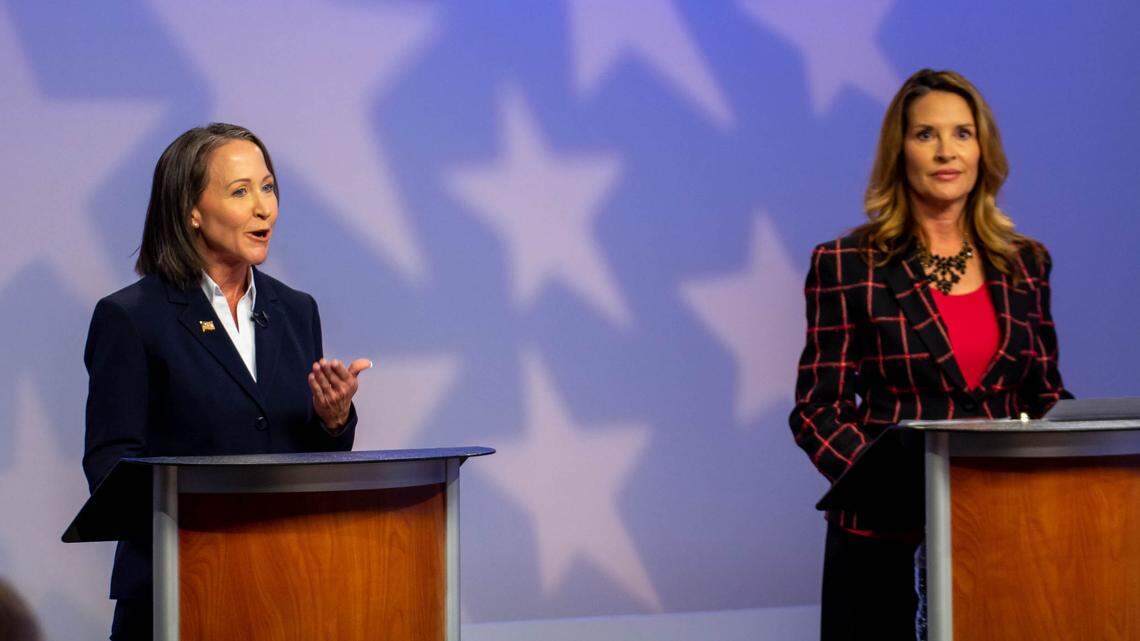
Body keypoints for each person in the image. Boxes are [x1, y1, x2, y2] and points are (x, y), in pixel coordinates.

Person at [789, 69, 1070, 640]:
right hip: (882, 545)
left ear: (983, 151)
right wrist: (894, 488)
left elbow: (1044, 395)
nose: (947, 151)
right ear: (901, 152)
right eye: (926, 135)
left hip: (998, 531)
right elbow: (818, 411)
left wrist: (1074, 453)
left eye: (962, 134)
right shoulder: (847, 264)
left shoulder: (1026, 264)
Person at [82, 123, 372, 640]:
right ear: (191, 210)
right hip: (175, 594)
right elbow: (109, 469)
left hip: (284, 587)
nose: (264, 208)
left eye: (268, 187)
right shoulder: (132, 318)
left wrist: (333, 421)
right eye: (241, 191)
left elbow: (300, 458)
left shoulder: (297, 311)